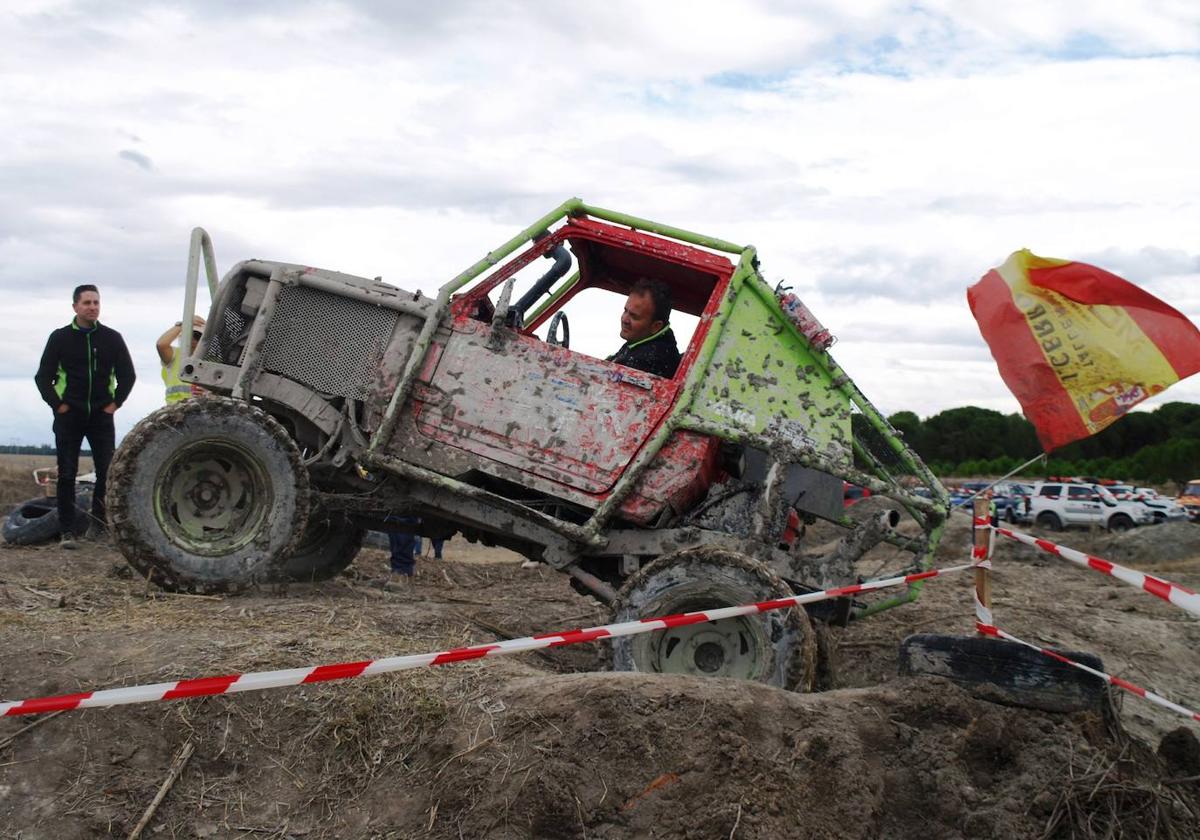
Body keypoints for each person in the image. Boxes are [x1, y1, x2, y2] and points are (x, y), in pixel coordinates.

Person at [34, 285, 136, 548]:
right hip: (69, 416)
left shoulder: (112, 338)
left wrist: (115, 404)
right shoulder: (60, 338)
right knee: (67, 473)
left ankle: (99, 525)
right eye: (87, 303)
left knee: (107, 471)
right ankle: (68, 531)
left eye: (96, 302)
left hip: (101, 415)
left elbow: (128, 375)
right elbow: (42, 377)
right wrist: (58, 405)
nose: (93, 307)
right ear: (75, 307)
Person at [607, 278, 680, 379]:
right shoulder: (639, 342)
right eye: (625, 311)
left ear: (656, 326)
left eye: (634, 316)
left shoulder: (648, 360)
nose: (625, 319)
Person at [156, 316, 206, 402]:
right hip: (176, 409)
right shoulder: (175, 355)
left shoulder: (212, 361)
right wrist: (182, 324)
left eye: (197, 336)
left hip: (203, 409)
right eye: (190, 335)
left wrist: (209, 394)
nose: (193, 339)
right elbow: (161, 344)